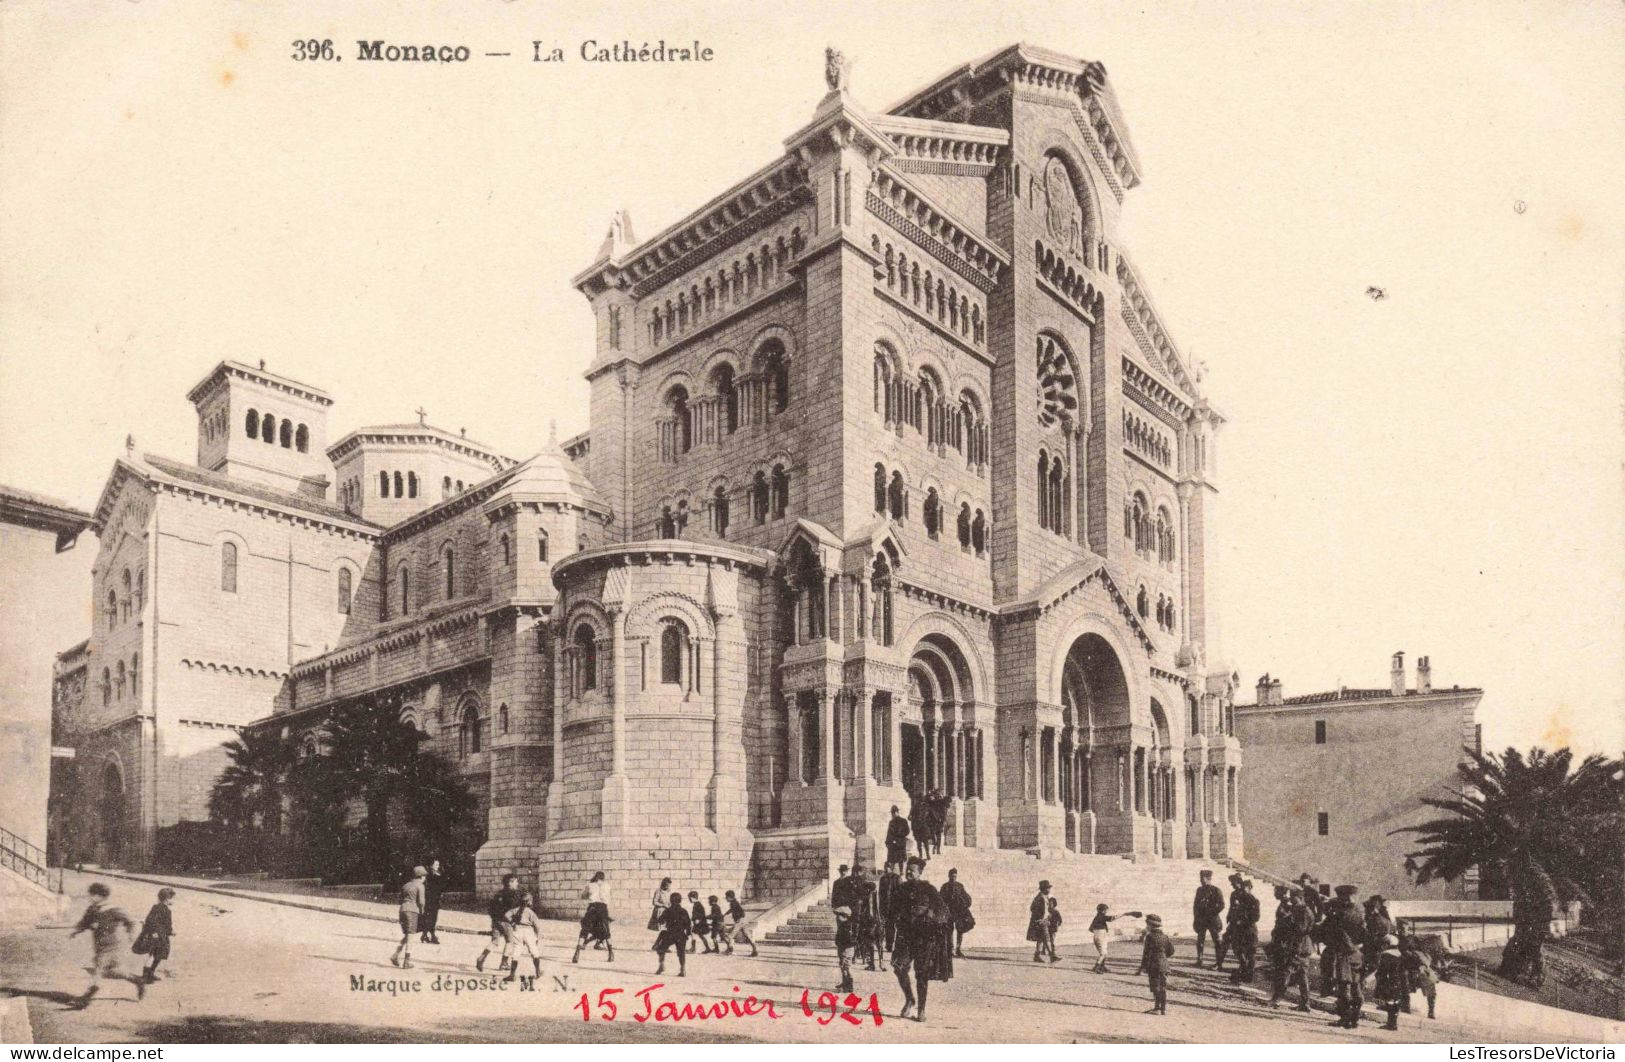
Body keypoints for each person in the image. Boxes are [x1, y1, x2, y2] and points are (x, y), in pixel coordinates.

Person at [889, 856, 953, 1022]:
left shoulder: (929, 889)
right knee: (899, 967)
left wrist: (931, 916)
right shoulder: (900, 889)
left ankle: (921, 1010)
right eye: (907, 869)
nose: (909, 872)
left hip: (924, 937)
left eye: (913, 870)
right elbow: (890, 911)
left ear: (920, 872)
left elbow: (944, 911)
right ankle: (910, 999)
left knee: (921, 974)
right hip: (905, 936)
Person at [71, 882, 143, 1007]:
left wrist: (131, 935)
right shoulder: (92, 909)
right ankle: (137, 980)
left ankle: (85, 999)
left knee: (98, 970)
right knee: (115, 970)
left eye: (93, 895)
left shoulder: (114, 910)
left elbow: (131, 922)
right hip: (100, 945)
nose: (90, 897)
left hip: (113, 945)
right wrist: (77, 930)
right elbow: (84, 922)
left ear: (101, 896)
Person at [1316, 884, 1367, 1028]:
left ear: (1343, 897)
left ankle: (1345, 1018)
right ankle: (1355, 1018)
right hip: (1356, 954)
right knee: (1356, 986)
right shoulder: (1359, 913)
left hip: (1342, 954)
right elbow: (1364, 935)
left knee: (1343, 987)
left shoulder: (1338, 915)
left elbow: (1325, 930)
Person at [1266, 886, 1314, 1011]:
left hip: (1299, 946)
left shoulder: (1304, 911)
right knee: (1302, 976)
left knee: (1286, 972)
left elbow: (1301, 930)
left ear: (1301, 898)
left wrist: (1288, 920)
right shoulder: (1297, 909)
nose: (1292, 900)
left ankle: (1276, 999)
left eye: (1294, 898)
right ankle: (1305, 1003)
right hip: (1300, 946)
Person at [477, 873, 521, 972]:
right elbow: (513, 910)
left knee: (494, 942)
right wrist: (513, 922)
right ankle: (504, 963)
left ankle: (482, 958)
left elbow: (491, 908)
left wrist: (494, 919)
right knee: (510, 942)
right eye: (516, 881)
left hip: (495, 920)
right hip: (506, 921)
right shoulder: (513, 894)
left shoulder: (499, 894)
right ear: (510, 882)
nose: (517, 884)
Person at [830, 863, 863, 992]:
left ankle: (848, 981)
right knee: (841, 946)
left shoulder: (850, 882)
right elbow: (834, 897)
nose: (843, 873)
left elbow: (854, 897)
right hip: (840, 912)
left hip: (848, 913)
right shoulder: (836, 882)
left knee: (846, 947)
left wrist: (849, 911)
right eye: (842, 871)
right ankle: (844, 981)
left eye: (845, 871)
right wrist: (836, 908)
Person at [133, 887, 176, 985]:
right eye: (172, 898)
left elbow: (150, 921)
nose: (173, 900)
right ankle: (146, 975)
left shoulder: (156, 907)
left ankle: (150, 973)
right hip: (158, 936)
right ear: (167, 899)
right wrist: (169, 932)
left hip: (157, 935)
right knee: (154, 955)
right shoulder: (166, 910)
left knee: (156, 955)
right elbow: (164, 924)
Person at [1135, 914, 1176, 1015]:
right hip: (1164, 965)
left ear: (1150, 926)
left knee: (1155, 987)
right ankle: (1163, 1009)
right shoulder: (1165, 937)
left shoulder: (1149, 937)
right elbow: (1171, 951)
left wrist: (1142, 967)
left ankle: (1157, 1008)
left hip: (1153, 965)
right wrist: (1163, 956)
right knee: (1163, 987)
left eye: (1147, 925)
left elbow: (1146, 953)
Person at [572, 870, 614, 963]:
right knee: (606, 931)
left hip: (592, 908)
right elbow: (610, 897)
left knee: (585, 930)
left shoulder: (590, 885)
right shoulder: (607, 886)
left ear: (595, 877)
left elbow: (583, 896)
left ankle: (577, 952)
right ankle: (611, 953)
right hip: (603, 908)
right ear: (603, 878)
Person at [504, 891, 547, 982]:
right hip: (528, 932)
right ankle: (538, 972)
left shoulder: (516, 910)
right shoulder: (531, 912)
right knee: (534, 952)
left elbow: (506, 915)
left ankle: (512, 975)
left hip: (518, 931)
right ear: (529, 902)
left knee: (516, 952)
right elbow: (537, 926)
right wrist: (538, 937)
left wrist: (513, 923)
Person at [391, 865, 427, 969]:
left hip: (402, 910)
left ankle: (395, 955)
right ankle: (406, 961)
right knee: (411, 935)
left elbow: (400, 899)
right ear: (420, 876)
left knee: (407, 934)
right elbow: (421, 902)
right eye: (424, 876)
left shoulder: (406, 885)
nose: (425, 878)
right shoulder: (420, 886)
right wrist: (422, 911)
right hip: (412, 911)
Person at [1227, 878, 1261, 983]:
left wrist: (1242, 920)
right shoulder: (1241, 899)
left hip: (1249, 930)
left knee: (1250, 953)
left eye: (1245, 887)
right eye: (1242, 887)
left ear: (1250, 888)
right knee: (1238, 950)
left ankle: (1248, 975)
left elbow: (1256, 917)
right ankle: (1244, 970)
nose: (1243, 889)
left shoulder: (1254, 900)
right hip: (1239, 930)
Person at [1372, 934, 1407, 1030]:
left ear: (1387, 944)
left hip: (1389, 980)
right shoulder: (1399, 954)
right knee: (1395, 1001)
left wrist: (1379, 981)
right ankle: (1393, 1022)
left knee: (1389, 1001)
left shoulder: (1386, 955)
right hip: (1399, 980)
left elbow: (1383, 971)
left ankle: (1391, 1024)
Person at [1400, 932, 1438, 1020]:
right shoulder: (1408, 952)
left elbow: (1427, 963)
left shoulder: (1424, 954)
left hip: (1421, 972)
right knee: (1404, 982)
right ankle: (1406, 1006)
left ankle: (1431, 1011)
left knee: (1431, 987)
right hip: (1411, 970)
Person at [1192, 869, 1226, 968]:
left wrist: (1211, 912)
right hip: (1201, 920)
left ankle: (1219, 963)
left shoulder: (1216, 890)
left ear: (1208, 878)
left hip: (1212, 920)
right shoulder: (1199, 890)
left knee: (1217, 941)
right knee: (1200, 940)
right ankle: (1199, 960)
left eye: (1202, 878)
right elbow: (1195, 906)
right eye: (1200, 878)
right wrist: (1196, 918)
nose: (1201, 881)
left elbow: (1221, 905)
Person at [653, 890, 691, 977]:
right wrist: (688, 933)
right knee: (681, 952)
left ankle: (661, 965)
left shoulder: (668, 910)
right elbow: (688, 923)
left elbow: (661, 921)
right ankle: (683, 969)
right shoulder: (684, 911)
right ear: (680, 901)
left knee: (661, 949)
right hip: (681, 934)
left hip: (670, 934)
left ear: (670, 901)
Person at [939, 868, 974, 958]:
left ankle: (958, 949)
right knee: (949, 931)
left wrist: (965, 903)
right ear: (949, 876)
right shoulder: (945, 886)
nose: (953, 878)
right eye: (952, 876)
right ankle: (950, 949)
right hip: (949, 912)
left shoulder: (959, 886)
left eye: (955, 876)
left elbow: (965, 896)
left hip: (958, 912)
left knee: (960, 930)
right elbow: (940, 899)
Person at [1028, 880, 1058, 962]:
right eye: (1048, 888)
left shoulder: (1044, 897)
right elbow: (1032, 909)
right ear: (1044, 889)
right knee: (1046, 938)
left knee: (1040, 939)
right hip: (1041, 921)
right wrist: (1040, 919)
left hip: (1043, 920)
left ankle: (1036, 956)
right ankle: (1052, 956)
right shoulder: (1039, 898)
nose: (1049, 890)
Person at [723, 890, 758, 957]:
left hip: (739, 922)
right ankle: (755, 950)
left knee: (730, 936)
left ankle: (729, 950)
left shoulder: (733, 903)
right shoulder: (734, 903)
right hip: (742, 921)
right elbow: (732, 909)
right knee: (747, 935)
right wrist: (726, 914)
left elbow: (742, 912)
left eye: (726, 897)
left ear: (730, 897)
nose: (726, 898)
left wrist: (739, 918)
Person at [1089, 904, 1122, 973]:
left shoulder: (1096, 917)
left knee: (1104, 953)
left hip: (1096, 936)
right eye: (1105, 910)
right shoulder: (1101, 916)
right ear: (1103, 910)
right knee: (1103, 954)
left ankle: (1102, 966)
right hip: (1101, 936)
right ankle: (1096, 967)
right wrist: (1123, 914)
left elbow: (1090, 929)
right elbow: (1111, 918)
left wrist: (1096, 932)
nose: (1106, 911)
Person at [419, 858, 445, 944]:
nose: (437, 866)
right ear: (431, 866)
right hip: (429, 899)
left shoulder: (438, 874)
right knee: (429, 917)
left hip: (435, 899)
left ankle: (425, 935)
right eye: (436, 865)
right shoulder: (429, 875)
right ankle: (431, 935)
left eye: (438, 865)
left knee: (433, 917)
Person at [885, 806, 911, 872]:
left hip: (899, 842)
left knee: (897, 859)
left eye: (893, 813)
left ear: (897, 812)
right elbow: (889, 833)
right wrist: (887, 842)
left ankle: (899, 872)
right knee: (897, 859)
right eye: (892, 813)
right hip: (898, 842)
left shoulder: (902, 821)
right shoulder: (893, 822)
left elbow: (907, 831)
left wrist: (899, 836)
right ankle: (897, 872)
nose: (892, 814)